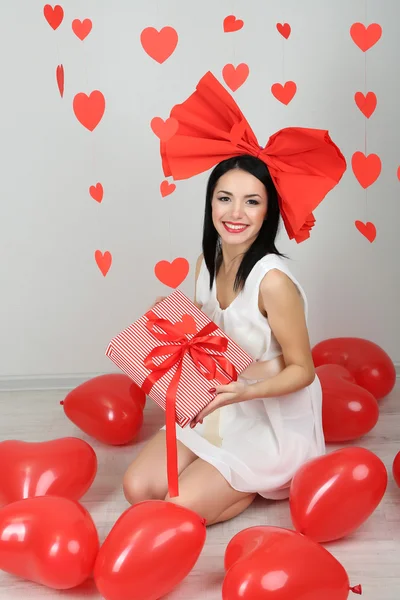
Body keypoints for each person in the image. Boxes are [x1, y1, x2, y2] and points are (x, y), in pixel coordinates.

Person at [123, 72, 347, 526]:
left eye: (252, 202)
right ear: (210, 204)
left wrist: (246, 390)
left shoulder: (273, 282)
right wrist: (163, 344)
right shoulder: (207, 263)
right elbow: (203, 347)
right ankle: (222, 474)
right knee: (137, 488)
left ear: (269, 211)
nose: (236, 214)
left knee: (178, 506)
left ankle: (249, 486)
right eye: (225, 198)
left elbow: (303, 371)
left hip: (270, 415)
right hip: (220, 400)